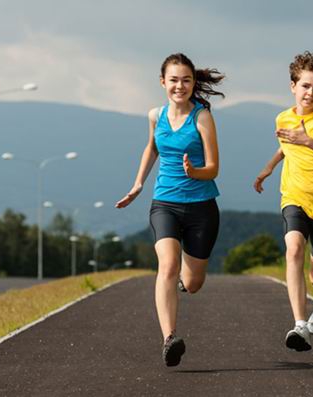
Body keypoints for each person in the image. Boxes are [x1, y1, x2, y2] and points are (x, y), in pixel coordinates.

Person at [116, 53, 224, 366]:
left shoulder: (202, 117)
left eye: (186, 80)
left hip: (202, 207)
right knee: (167, 266)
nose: (180, 85)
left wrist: (196, 172)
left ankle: (179, 285)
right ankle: (169, 338)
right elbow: (151, 148)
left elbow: (214, 167)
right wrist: (138, 184)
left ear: (193, 83)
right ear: (163, 82)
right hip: (165, 203)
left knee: (193, 283)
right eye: (174, 80)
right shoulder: (155, 115)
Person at [254, 51, 313, 352]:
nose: (310, 93)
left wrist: (309, 140)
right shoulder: (283, 117)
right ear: (293, 86)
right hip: (294, 197)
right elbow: (286, 146)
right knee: (293, 249)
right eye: (305, 86)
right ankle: (299, 325)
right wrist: (269, 167)